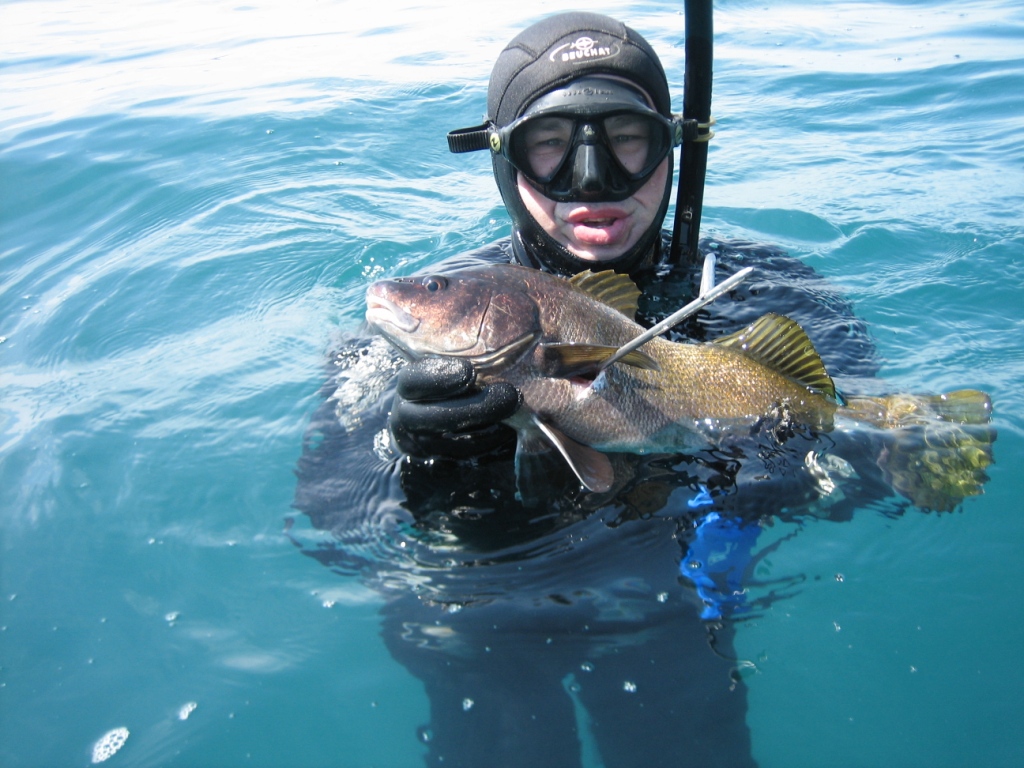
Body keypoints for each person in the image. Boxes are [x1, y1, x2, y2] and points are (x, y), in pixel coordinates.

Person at [293, 11, 886, 768]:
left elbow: (866, 459)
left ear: (672, 147)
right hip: (481, 628)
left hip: (665, 615)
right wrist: (430, 475)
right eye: (550, 144)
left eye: (627, 138)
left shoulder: (768, 294)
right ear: (505, 159)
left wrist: (758, 463)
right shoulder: (399, 341)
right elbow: (333, 526)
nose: (591, 178)